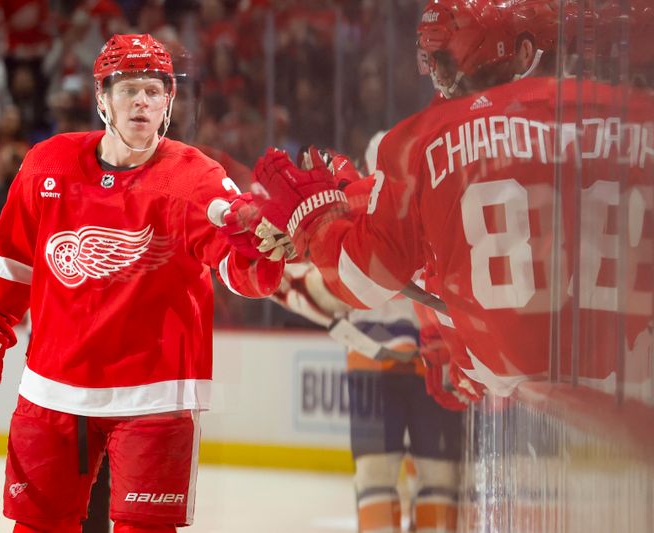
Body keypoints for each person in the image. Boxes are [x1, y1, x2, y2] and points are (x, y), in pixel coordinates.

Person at [0, 33, 284, 533]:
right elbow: (12, 264)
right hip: (53, 390)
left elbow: (237, 269)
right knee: (37, 526)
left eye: (153, 90)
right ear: (102, 99)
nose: (141, 101)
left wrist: (262, 247)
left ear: (169, 100)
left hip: (153, 397)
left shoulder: (196, 178)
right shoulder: (48, 165)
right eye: (129, 89)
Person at [250, 0, 652, 397]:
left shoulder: (424, 140)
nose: (438, 77)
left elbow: (368, 270)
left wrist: (318, 215)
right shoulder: (616, 124)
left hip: (518, 379)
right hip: (631, 386)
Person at [271, 148, 464, 533]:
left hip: (375, 366)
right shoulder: (431, 204)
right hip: (433, 365)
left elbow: (307, 290)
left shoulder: (346, 214)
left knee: (378, 478)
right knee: (438, 479)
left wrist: (282, 266)